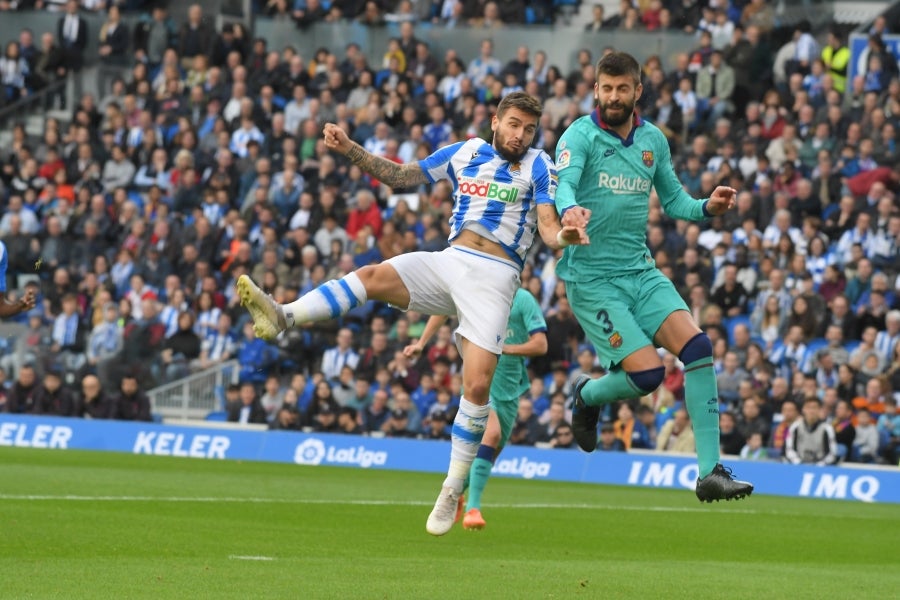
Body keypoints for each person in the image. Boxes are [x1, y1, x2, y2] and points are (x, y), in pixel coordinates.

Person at [237, 91, 587, 536]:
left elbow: (548, 227)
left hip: (496, 276)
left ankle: (452, 488)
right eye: (514, 124)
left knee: (477, 386)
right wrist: (350, 149)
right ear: (495, 122)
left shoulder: (539, 164)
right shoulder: (466, 152)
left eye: (529, 129)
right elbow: (401, 176)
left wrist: (565, 237)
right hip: (450, 260)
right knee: (371, 275)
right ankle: (283, 316)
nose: (521, 135)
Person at [553, 51, 753, 502]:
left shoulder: (653, 141)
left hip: (639, 271)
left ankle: (709, 473)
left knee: (698, 348)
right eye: (606, 88)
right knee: (648, 376)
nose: (613, 96)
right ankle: (586, 395)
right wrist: (570, 209)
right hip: (593, 280)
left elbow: (675, 201)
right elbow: (564, 184)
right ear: (596, 90)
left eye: (622, 88)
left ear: (637, 90)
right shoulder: (579, 135)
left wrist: (707, 207)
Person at [404, 287, 547, 531]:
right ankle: (473, 508)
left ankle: (455, 493)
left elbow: (541, 345)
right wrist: (421, 342)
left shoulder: (523, 300)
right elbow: (444, 308)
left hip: (510, 387)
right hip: (478, 380)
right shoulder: (478, 291)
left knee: (491, 453)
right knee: (491, 435)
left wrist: (505, 348)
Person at [785, 397, 838, 465]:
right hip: (799, 465)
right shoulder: (795, 427)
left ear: (820, 410)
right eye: (808, 407)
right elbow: (789, 450)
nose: (811, 411)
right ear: (803, 409)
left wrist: (819, 465)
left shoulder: (827, 428)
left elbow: (832, 453)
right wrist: (799, 463)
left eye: (814, 408)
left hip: (820, 466)